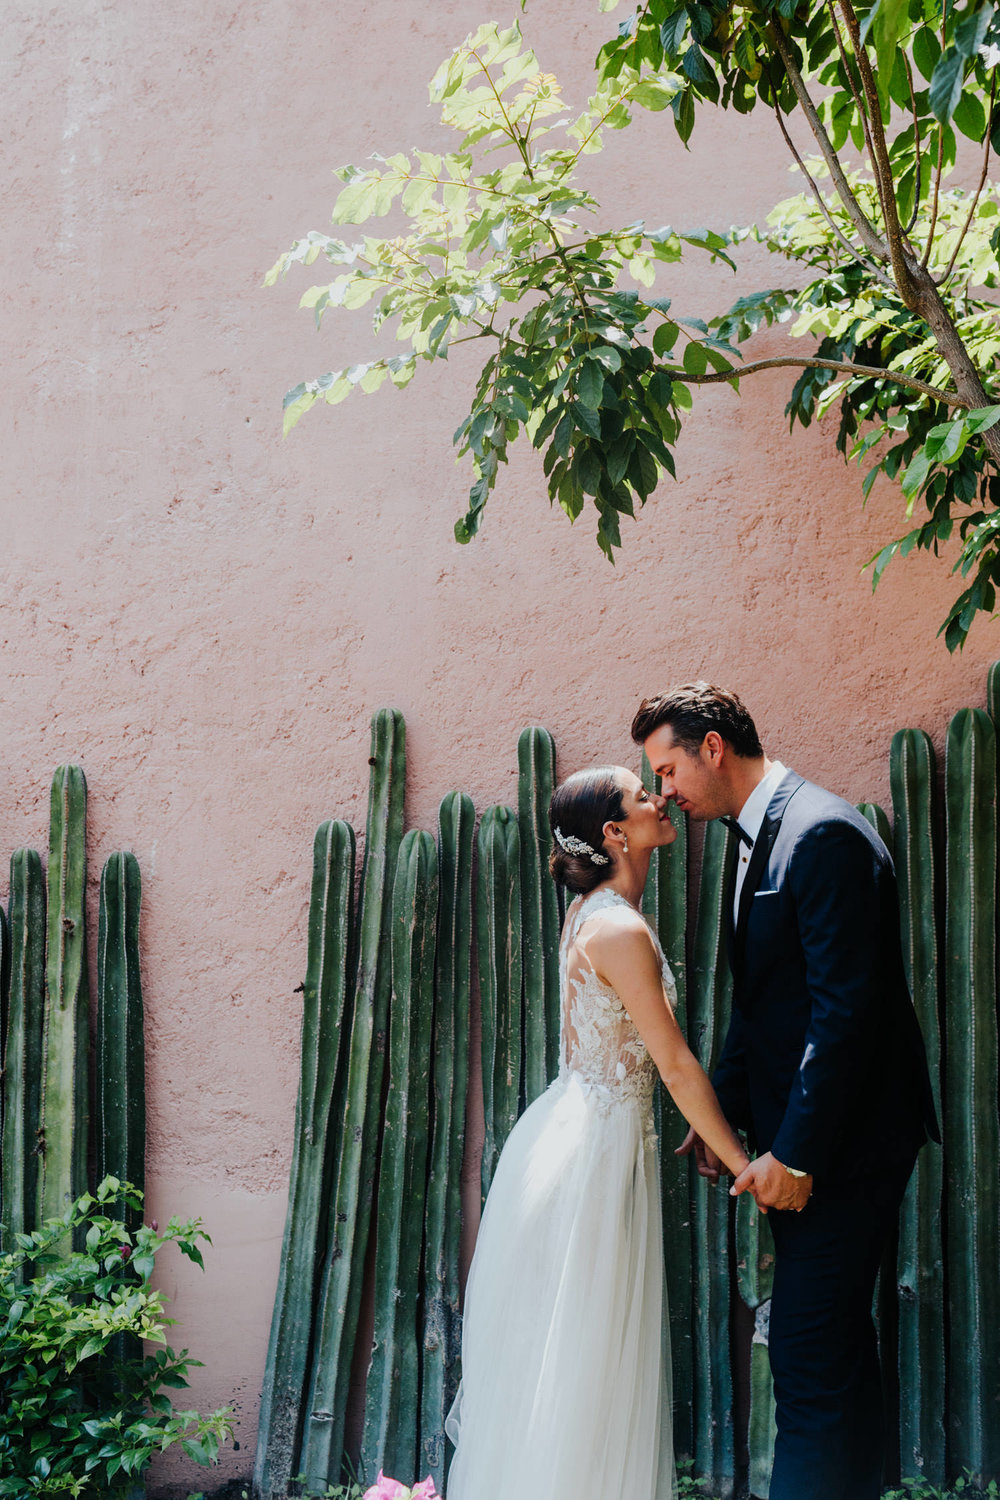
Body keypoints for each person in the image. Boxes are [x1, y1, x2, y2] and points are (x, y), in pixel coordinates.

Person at [633, 682, 939, 1500]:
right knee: (832, 1346)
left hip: (848, 1147)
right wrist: (727, 1110)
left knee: (804, 1349)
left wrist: (795, 1154)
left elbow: (847, 1013)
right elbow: (769, 1001)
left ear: (712, 748)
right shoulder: (751, 835)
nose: (665, 793)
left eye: (667, 771)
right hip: (809, 1143)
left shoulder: (824, 832)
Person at [445, 765, 751, 1500]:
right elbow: (673, 1062)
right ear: (615, 832)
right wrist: (745, 1162)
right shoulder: (615, 925)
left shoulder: (596, 912)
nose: (662, 798)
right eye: (644, 795)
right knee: (586, 1356)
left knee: (584, 1357)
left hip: (591, 1130)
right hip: (592, 1152)